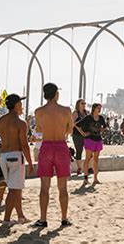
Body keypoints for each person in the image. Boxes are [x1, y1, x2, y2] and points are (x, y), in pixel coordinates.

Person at [0, 94, 33, 225]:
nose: (22, 105)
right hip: (15, 156)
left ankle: (21, 216)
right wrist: (30, 162)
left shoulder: (1, 120)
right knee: (13, 190)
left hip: (4, 157)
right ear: (17, 105)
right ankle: (6, 218)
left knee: (15, 188)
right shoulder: (20, 122)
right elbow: (24, 145)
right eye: (20, 103)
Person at [33, 83, 73, 228]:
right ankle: (64, 218)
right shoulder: (66, 110)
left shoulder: (39, 112)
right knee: (63, 187)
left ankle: (43, 219)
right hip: (61, 146)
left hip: (47, 146)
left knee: (44, 187)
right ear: (56, 94)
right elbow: (70, 130)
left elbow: (38, 132)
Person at [76, 103, 107, 186]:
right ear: (94, 109)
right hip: (89, 139)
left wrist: (102, 130)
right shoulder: (88, 118)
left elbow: (104, 127)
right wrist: (83, 133)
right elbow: (77, 125)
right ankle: (85, 178)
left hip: (98, 139)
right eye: (98, 108)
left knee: (96, 159)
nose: (99, 110)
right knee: (88, 158)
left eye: (100, 108)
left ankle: (95, 178)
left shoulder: (101, 118)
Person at [71, 99, 88, 175]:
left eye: (85, 103)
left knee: (89, 150)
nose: (84, 105)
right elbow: (75, 124)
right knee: (79, 151)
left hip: (86, 134)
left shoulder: (86, 113)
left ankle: (89, 168)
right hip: (77, 134)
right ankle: (79, 168)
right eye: (82, 103)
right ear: (78, 104)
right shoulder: (75, 113)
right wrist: (82, 132)